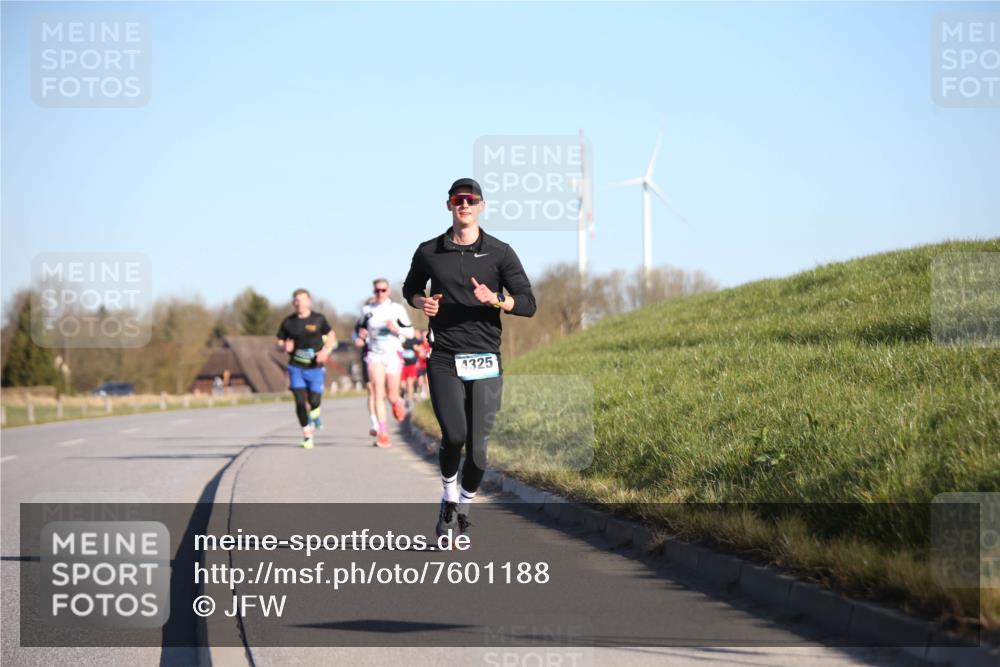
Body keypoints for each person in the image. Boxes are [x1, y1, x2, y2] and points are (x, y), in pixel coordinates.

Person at [402, 177, 536, 540]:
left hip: (486, 358)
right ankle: (448, 496)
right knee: (455, 434)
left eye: (471, 200)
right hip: (444, 355)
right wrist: (421, 303)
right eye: (458, 200)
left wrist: (497, 300)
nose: (465, 205)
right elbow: (410, 289)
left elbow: (527, 303)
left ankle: (464, 506)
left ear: (482, 206)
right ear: (449, 205)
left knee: (478, 449)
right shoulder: (430, 251)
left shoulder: (500, 252)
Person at [276, 288, 336, 449]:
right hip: (296, 367)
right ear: (293, 303)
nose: (299, 303)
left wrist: (325, 351)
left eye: (302, 300)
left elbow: (331, 335)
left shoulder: (318, 319)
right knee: (300, 401)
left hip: (315, 367)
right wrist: (284, 347)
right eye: (296, 300)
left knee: (314, 400)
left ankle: (316, 413)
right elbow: (279, 342)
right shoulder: (288, 322)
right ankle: (307, 434)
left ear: (309, 301)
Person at [357, 278, 414, 447]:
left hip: (393, 354)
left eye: (383, 290)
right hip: (375, 355)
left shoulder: (396, 309)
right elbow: (357, 333)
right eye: (376, 291)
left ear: (388, 291)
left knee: (391, 394)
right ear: (373, 292)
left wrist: (396, 329)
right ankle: (383, 432)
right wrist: (360, 337)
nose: (379, 293)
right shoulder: (367, 310)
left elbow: (410, 333)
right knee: (377, 391)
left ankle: (397, 403)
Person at [353, 297, 379, 437]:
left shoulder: (387, 317)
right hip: (368, 357)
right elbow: (356, 341)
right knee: (371, 390)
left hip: (386, 358)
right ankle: (375, 423)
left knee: (382, 393)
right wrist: (361, 338)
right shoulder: (360, 323)